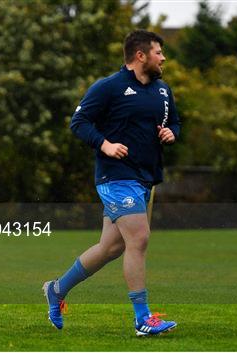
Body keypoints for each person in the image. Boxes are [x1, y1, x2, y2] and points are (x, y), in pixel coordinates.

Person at [43, 29, 181, 336]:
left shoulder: (162, 90)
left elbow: (174, 122)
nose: (164, 58)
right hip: (115, 177)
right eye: (159, 52)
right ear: (140, 55)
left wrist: (172, 133)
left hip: (145, 179)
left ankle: (56, 289)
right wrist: (104, 144)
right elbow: (78, 123)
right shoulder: (110, 87)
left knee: (110, 247)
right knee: (140, 238)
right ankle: (142, 318)